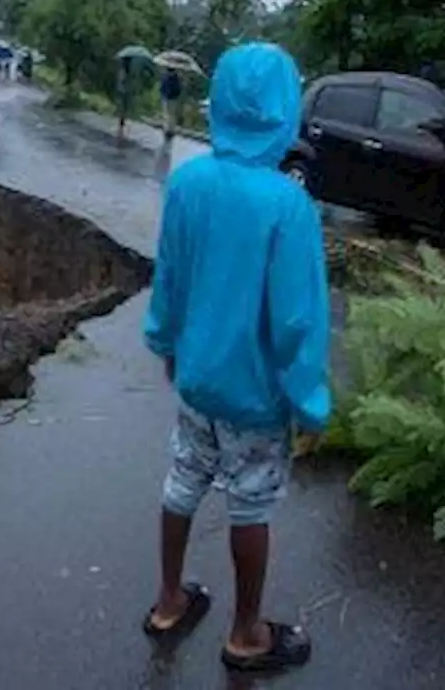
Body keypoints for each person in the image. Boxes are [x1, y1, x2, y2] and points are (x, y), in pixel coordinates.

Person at [141, 42, 329, 674]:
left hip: (196, 380)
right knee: (250, 502)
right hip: (256, 394)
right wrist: (308, 401)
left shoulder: (188, 182)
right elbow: (297, 318)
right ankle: (246, 633)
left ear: (218, 100)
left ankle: (169, 601)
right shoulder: (288, 205)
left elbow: (170, 277)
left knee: (183, 479)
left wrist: (167, 346)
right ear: (283, 110)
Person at [160, 67, 184, 138]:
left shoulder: (165, 76)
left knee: (167, 114)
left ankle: (168, 129)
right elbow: (179, 89)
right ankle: (171, 129)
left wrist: (163, 93)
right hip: (172, 98)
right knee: (171, 114)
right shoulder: (176, 77)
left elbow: (162, 86)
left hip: (167, 97)